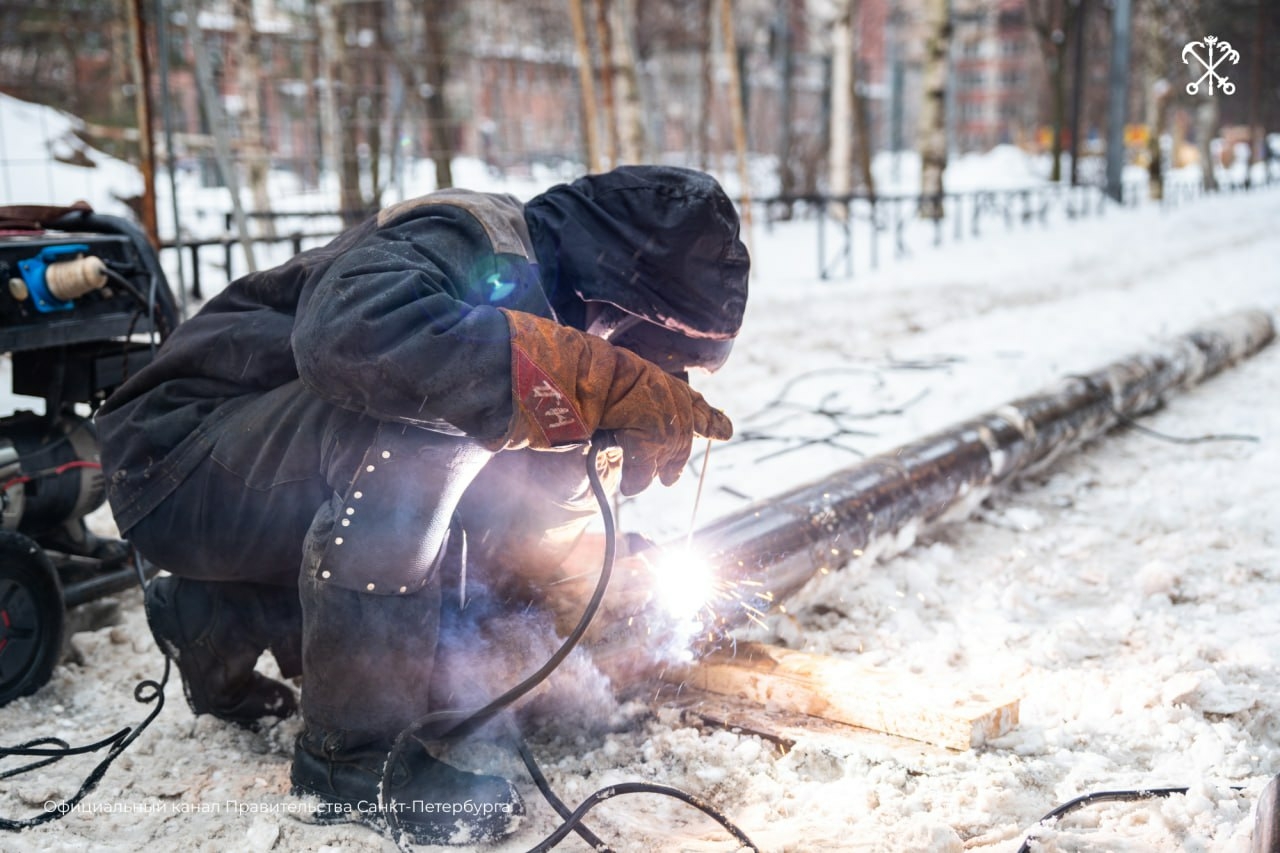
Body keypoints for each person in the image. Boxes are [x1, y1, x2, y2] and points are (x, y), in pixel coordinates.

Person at [95, 165, 749, 845]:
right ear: (619, 302)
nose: (661, 377)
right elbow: (347, 337)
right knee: (432, 417)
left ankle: (221, 615)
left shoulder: (554, 309)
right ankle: (350, 759)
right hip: (173, 461)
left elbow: (523, 525)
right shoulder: (463, 234)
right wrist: (593, 377)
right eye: (661, 357)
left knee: (480, 525)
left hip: (251, 491)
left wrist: (601, 566)